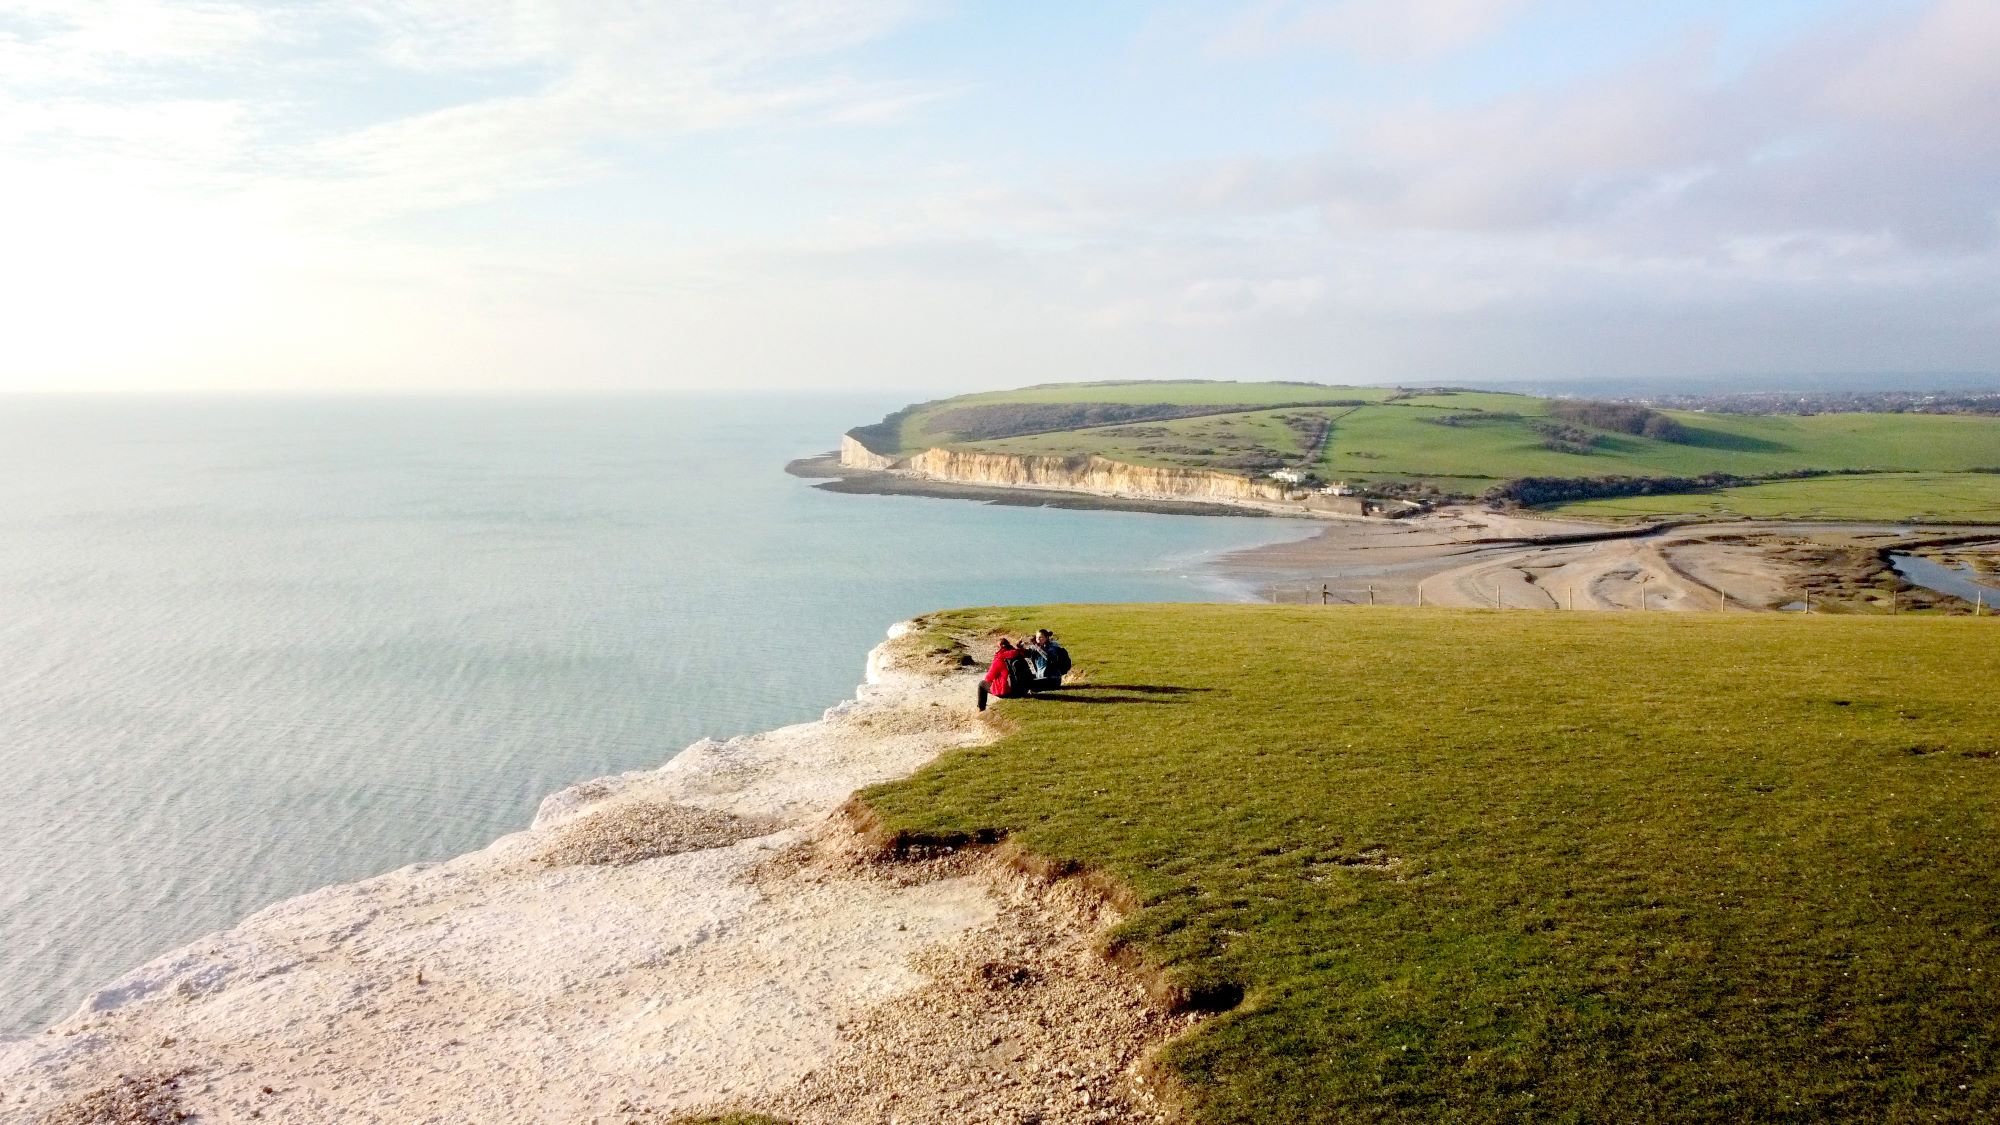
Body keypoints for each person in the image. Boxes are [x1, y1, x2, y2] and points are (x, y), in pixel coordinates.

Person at [977, 638, 1023, 711]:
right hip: (1021, 690)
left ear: (1001, 647)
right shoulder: (1018, 654)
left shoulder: (1000, 658)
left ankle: (981, 709)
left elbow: (989, 678)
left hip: (1007, 692)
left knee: (981, 684)